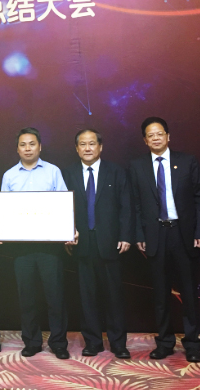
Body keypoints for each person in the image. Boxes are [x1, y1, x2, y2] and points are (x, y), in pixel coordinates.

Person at [129, 117, 200, 363]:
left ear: (168, 136)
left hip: (183, 234)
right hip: (155, 235)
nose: (156, 138)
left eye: (159, 133)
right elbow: (135, 205)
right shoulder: (137, 166)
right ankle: (164, 342)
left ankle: (192, 344)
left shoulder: (187, 161)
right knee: (161, 293)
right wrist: (139, 235)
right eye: (150, 135)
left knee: (188, 292)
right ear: (145, 140)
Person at [0, 128, 72, 359]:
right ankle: (31, 341)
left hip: (49, 246)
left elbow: (64, 203)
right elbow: (3, 208)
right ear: (17, 148)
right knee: (26, 297)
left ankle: (58, 343)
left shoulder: (53, 171)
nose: (28, 148)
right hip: (21, 247)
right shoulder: (9, 175)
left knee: (55, 296)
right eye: (23, 144)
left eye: (32, 144)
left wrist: (70, 229)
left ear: (40, 146)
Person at [61, 129, 132, 359]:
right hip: (82, 244)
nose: (88, 148)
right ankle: (92, 342)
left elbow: (126, 206)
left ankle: (118, 343)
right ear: (76, 149)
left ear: (100, 147)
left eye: (92, 143)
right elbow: (62, 207)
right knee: (87, 297)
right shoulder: (68, 173)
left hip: (110, 242)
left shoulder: (116, 171)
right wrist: (65, 234)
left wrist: (126, 235)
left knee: (114, 297)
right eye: (83, 144)